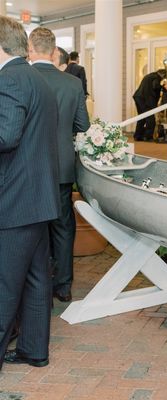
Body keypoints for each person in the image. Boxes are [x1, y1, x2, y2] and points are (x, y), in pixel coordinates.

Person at [0, 15, 60, 370]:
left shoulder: (10, 79)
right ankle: (33, 350)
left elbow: (6, 136)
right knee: (37, 281)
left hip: (16, 200)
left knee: (4, 284)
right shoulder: (37, 79)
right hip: (39, 198)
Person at [29, 27, 91, 303]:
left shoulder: (22, 79)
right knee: (64, 224)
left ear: (31, 49)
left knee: (33, 226)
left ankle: (36, 285)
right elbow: (83, 125)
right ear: (54, 51)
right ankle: (63, 285)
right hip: (62, 165)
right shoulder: (72, 84)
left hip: (29, 166)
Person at [132, 69, 167, 141]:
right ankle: (147, 137)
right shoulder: (156, 77)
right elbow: (155, 86)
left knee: (142, 117)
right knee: (150, 118)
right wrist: (163, 87)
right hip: (145, 100)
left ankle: (137, 135)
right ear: (162, 75)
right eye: (164, 77)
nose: (163, 79)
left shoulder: (149, 75)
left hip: (138, 97)